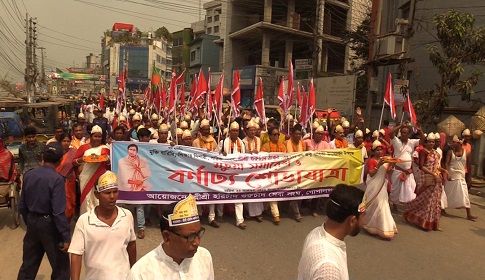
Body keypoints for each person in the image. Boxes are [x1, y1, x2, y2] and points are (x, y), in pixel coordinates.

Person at [69, 171, 137, 280]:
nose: (112, 196)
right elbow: (76, 255)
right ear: (97, 195)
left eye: (115, 192)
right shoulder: (85, 221)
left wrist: (134, 273)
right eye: (107, 193)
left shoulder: (127, 216)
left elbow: (131, 244)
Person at [128, 195, 214, 280]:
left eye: (199, 234)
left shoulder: (204, 257)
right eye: (190, 237)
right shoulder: (141, 273)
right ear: (167, 237)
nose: (197, 243)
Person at [17, 143, 71, 280]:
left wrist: (30, 220)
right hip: (49, 225)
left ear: (43, 157)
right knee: (61, 268)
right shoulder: (57, 179)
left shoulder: (29, 175)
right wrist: (65, 237)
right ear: (60, 160)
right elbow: (58, 212)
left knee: (28, 266)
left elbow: (22, 205)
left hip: (33, 222)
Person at [297, 184, 365, 280]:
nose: (364, 222)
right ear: (352, 221)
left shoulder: (316, 232)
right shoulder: (329, 269)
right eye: (363, 216)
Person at [403, 133, 445, 231]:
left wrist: (444, 171)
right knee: (425, 200)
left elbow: (437, 165)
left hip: (436, 178)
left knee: (435, 202)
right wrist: (432, 174)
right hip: (426, 178)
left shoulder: (435, 153)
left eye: (433, 142)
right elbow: (422, 166)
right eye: (429, 142)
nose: (431, 144)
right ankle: (419, 219)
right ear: (426, 142)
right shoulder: (423, 152)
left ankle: (434, 224)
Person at [362, 140, 398, 240]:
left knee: (383, 205)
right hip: (374, 185)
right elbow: (371, 173)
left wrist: (393, 165)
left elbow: (388, 174)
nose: (379, 152)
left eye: (381, 150)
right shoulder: (371, 161)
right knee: (374, 204)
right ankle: (370, 224)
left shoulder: (385, 160)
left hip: (382, 186)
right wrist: (379, 165)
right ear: (373, 151)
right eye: (377, 150)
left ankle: (385, 228)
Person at [72, 125, 111, 214]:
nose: (97, 138)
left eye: (99, 136)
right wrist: (82, 159)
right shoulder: (84, 148)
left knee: (100, 198)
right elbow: (73, 162)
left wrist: (108, 160)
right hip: (86, 178)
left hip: (101, 178)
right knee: (87, 199)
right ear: (91, 136)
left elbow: (109, 165)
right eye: (95, 136)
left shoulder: (105, 148)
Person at [388, 122, 423, 212]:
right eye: (402, 132)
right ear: (400, 133)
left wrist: (420, 131)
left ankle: (409, 207)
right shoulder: (396, 141)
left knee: (411, 189)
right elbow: (390, 133)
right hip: (397, 170)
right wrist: (400, 126)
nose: (404, 134)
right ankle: (394, 204)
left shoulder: (412, 142)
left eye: (406, 133)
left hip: (408, 171)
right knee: (395, 189)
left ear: (408, 134)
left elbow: (423, 141)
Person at [192, 119, 221, 228]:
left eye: (208, 129)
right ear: (200, 131)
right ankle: (198, 216)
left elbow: (217, 154)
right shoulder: (196, 142)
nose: (207, 132)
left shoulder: (213, 140)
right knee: (199, 194)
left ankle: (211, 218)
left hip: (210, 172)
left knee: (211, 195)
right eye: (204, 130)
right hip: (199, 172)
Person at [219, 122, 247, 229]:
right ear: (229, 132)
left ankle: (240, 220)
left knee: (238, 196)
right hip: (225, 173)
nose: (235, 133)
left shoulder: (242, 143)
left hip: (238, 174)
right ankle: (220, 214)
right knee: (222, 194)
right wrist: (221, 154)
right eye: (233, 131)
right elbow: (215, 156)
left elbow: (245, 157)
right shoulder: (223, 142)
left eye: (237, 131)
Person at [444, 135, 478, 220]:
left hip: (461, 175)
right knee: (447, 193)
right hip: (451, 175)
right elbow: (446, 163)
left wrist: (469, 178)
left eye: (454, 142)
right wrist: (447, 172)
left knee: (465, 193)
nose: (452, 144)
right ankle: (442, 209)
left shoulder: (467, 153)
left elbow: (469, 166)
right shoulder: (450, 152)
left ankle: (468, 214)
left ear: (459, 143)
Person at [261, 126, 286, 224]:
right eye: (274, 134)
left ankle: (266, 209)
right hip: (269, 174)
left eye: (278, 135)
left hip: (280, 173)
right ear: (270, 136)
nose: (277, 136)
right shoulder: (265, 147)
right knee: (273, 192)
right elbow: (261, 160)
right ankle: (276, 214)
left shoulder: (283, 146)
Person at [243, 120, 264, 222]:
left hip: (258, 169)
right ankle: (250, 213)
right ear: (246, 131)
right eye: (251, 130)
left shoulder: (258, 140)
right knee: (249, 190)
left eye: (254, 130)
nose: (252, 132)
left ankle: (259, 213)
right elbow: (241, 156)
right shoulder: (243, 141)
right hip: (247, 170)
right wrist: (250, 153)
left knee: (258, 189)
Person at [286, 124, 307, 222]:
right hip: (288, 170)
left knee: (299, 190)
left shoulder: (303, 144)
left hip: (300, 170)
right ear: (292, 134)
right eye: (296, 134)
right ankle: (296, 212)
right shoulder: (286, 143)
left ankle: (295, 208)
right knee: (294, 190)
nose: (298, 136)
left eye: (300, 134)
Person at [56, 132, 78, 222]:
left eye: (67, 141)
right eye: (64, 141)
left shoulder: (74, 152)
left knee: (70, 202)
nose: (66, 143)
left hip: (69, 181)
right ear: (60, 141)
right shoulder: (56, 152)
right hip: (56, 181)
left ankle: (68, 221)